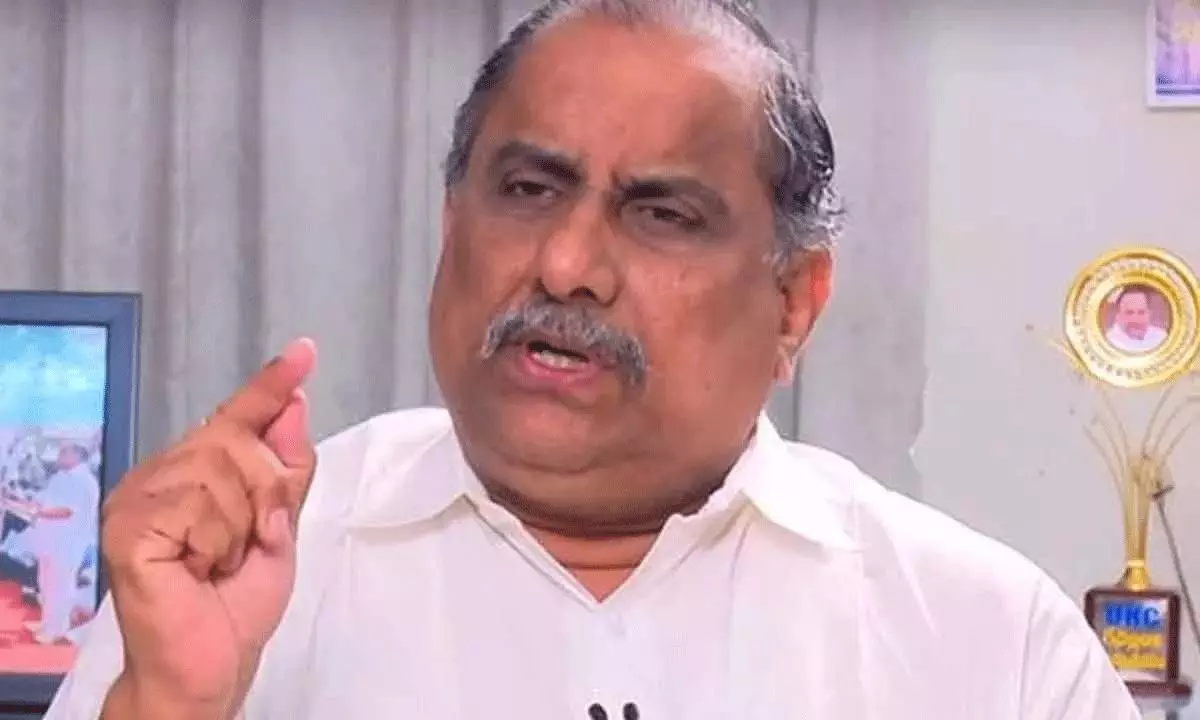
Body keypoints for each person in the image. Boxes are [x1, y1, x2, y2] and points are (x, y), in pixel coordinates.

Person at [46, 1, 1139, 718]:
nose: (566, 265)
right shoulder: (247, 573)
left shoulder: (984, 646)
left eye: (661, 214)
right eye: (528, 190)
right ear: (451, 227)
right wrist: (171, 706)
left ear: (793, 303)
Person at [25, 443, 100, 645]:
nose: (59, 455)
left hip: (68, 543)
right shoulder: (60, 477)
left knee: (60, 587)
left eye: (64, 452)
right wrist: (27, 503)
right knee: (46, 584)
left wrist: (37, 512)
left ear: (77, 455)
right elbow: (45, 500)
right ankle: (46, 623)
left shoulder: (83, 480)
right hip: (50, 541)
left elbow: (66, 511)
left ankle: (56, 630)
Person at [1106, 284, 1169, 354]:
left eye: (1141, 312)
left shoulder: (1161, 338)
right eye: (1129, 313)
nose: (1136, 319)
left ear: (1149, 314)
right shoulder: (1107, 342)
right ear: (1118, 316)